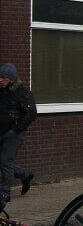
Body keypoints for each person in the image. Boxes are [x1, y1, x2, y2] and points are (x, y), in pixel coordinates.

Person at [0, 63, 36, 211]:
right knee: (3, 162)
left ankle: (5, 192)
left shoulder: (22, 93)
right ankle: (25, 176)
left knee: (5, 160)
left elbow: (31, 113)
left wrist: (16, 130)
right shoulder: (2, 91)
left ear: (12, 79)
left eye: (3, 77)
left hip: (14, 133)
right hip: (2, 130)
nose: (0, 80)